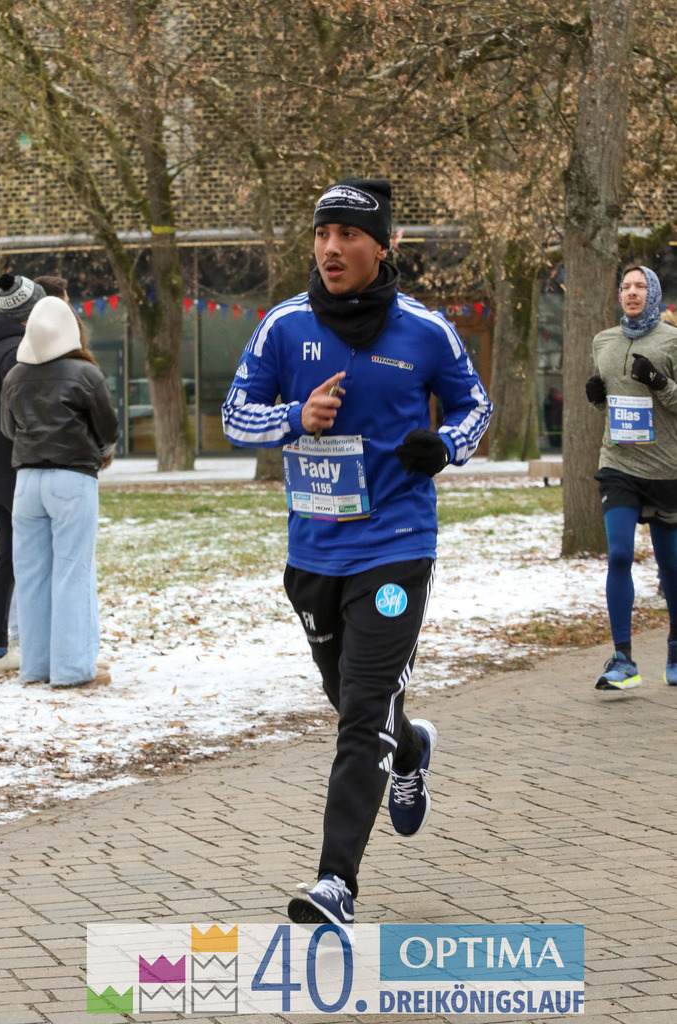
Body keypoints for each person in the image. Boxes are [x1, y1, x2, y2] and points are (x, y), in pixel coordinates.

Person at [222, 177, 493, 925]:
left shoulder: (424, 331)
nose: (331, 248)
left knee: (361, 709)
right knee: (348, 700)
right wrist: (292, 418)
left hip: (397, 546)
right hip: (313, 553)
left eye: (347, 235)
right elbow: (235, 418)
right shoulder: (283, 326)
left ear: (383, 245)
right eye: (321, 234)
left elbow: (477, 407)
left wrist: (444, 444)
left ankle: (334, 881)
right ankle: (407, 750)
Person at [0, 296, 119, 689]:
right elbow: (109, 428)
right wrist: (100, 453)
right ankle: (72, 669)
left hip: (26, 481)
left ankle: (35, 667)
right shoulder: (86, 374)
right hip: (72, 478)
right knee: (72, 572)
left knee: (32, 575)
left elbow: (9, 429)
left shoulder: (15, 376)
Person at [585, 263, 677, 691]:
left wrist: (660, 382)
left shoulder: (673, 341)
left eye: (641, 286)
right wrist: (599, 399)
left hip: (666, 468)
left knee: (671, 568)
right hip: (618, 464)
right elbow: (614, 407)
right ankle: (623, 658)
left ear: (653, 294)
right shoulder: (603, 341)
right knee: (619, 555)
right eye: (626, 286)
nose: (632, 293)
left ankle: (675, 646)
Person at [0, 273, 46, 673]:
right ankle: (0, 642)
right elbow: (20, 414)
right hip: (7, 465)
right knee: (15, 554)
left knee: (9, 551)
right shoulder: (14, 353)